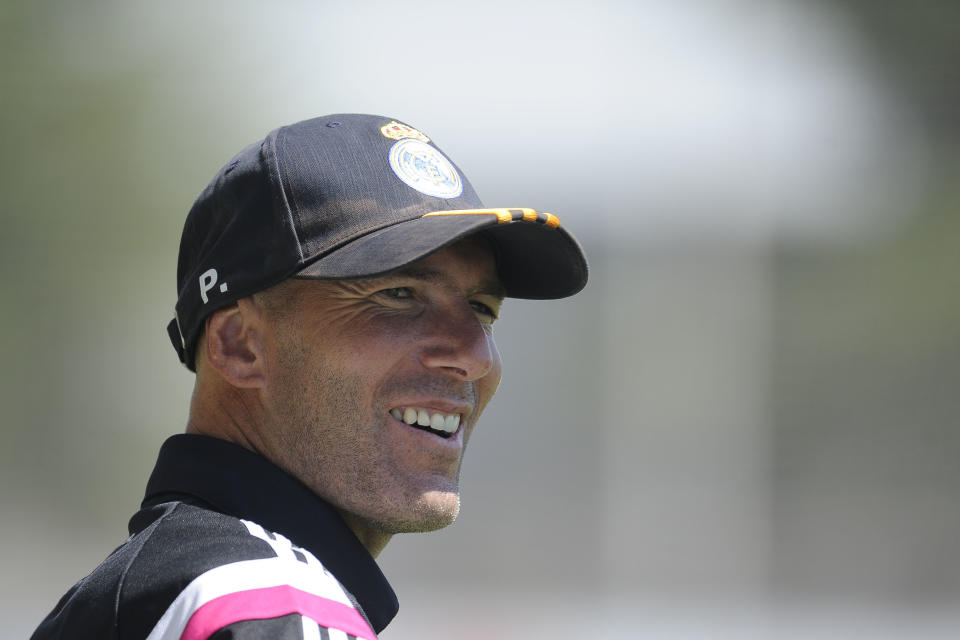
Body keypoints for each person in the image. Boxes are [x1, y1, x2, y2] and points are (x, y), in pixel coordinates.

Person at [31, 113, 588, 639]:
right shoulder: (266, 601)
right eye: (398, 295)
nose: (475, 355)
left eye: (482, 309)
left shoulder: (165, 586)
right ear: (240, 345)